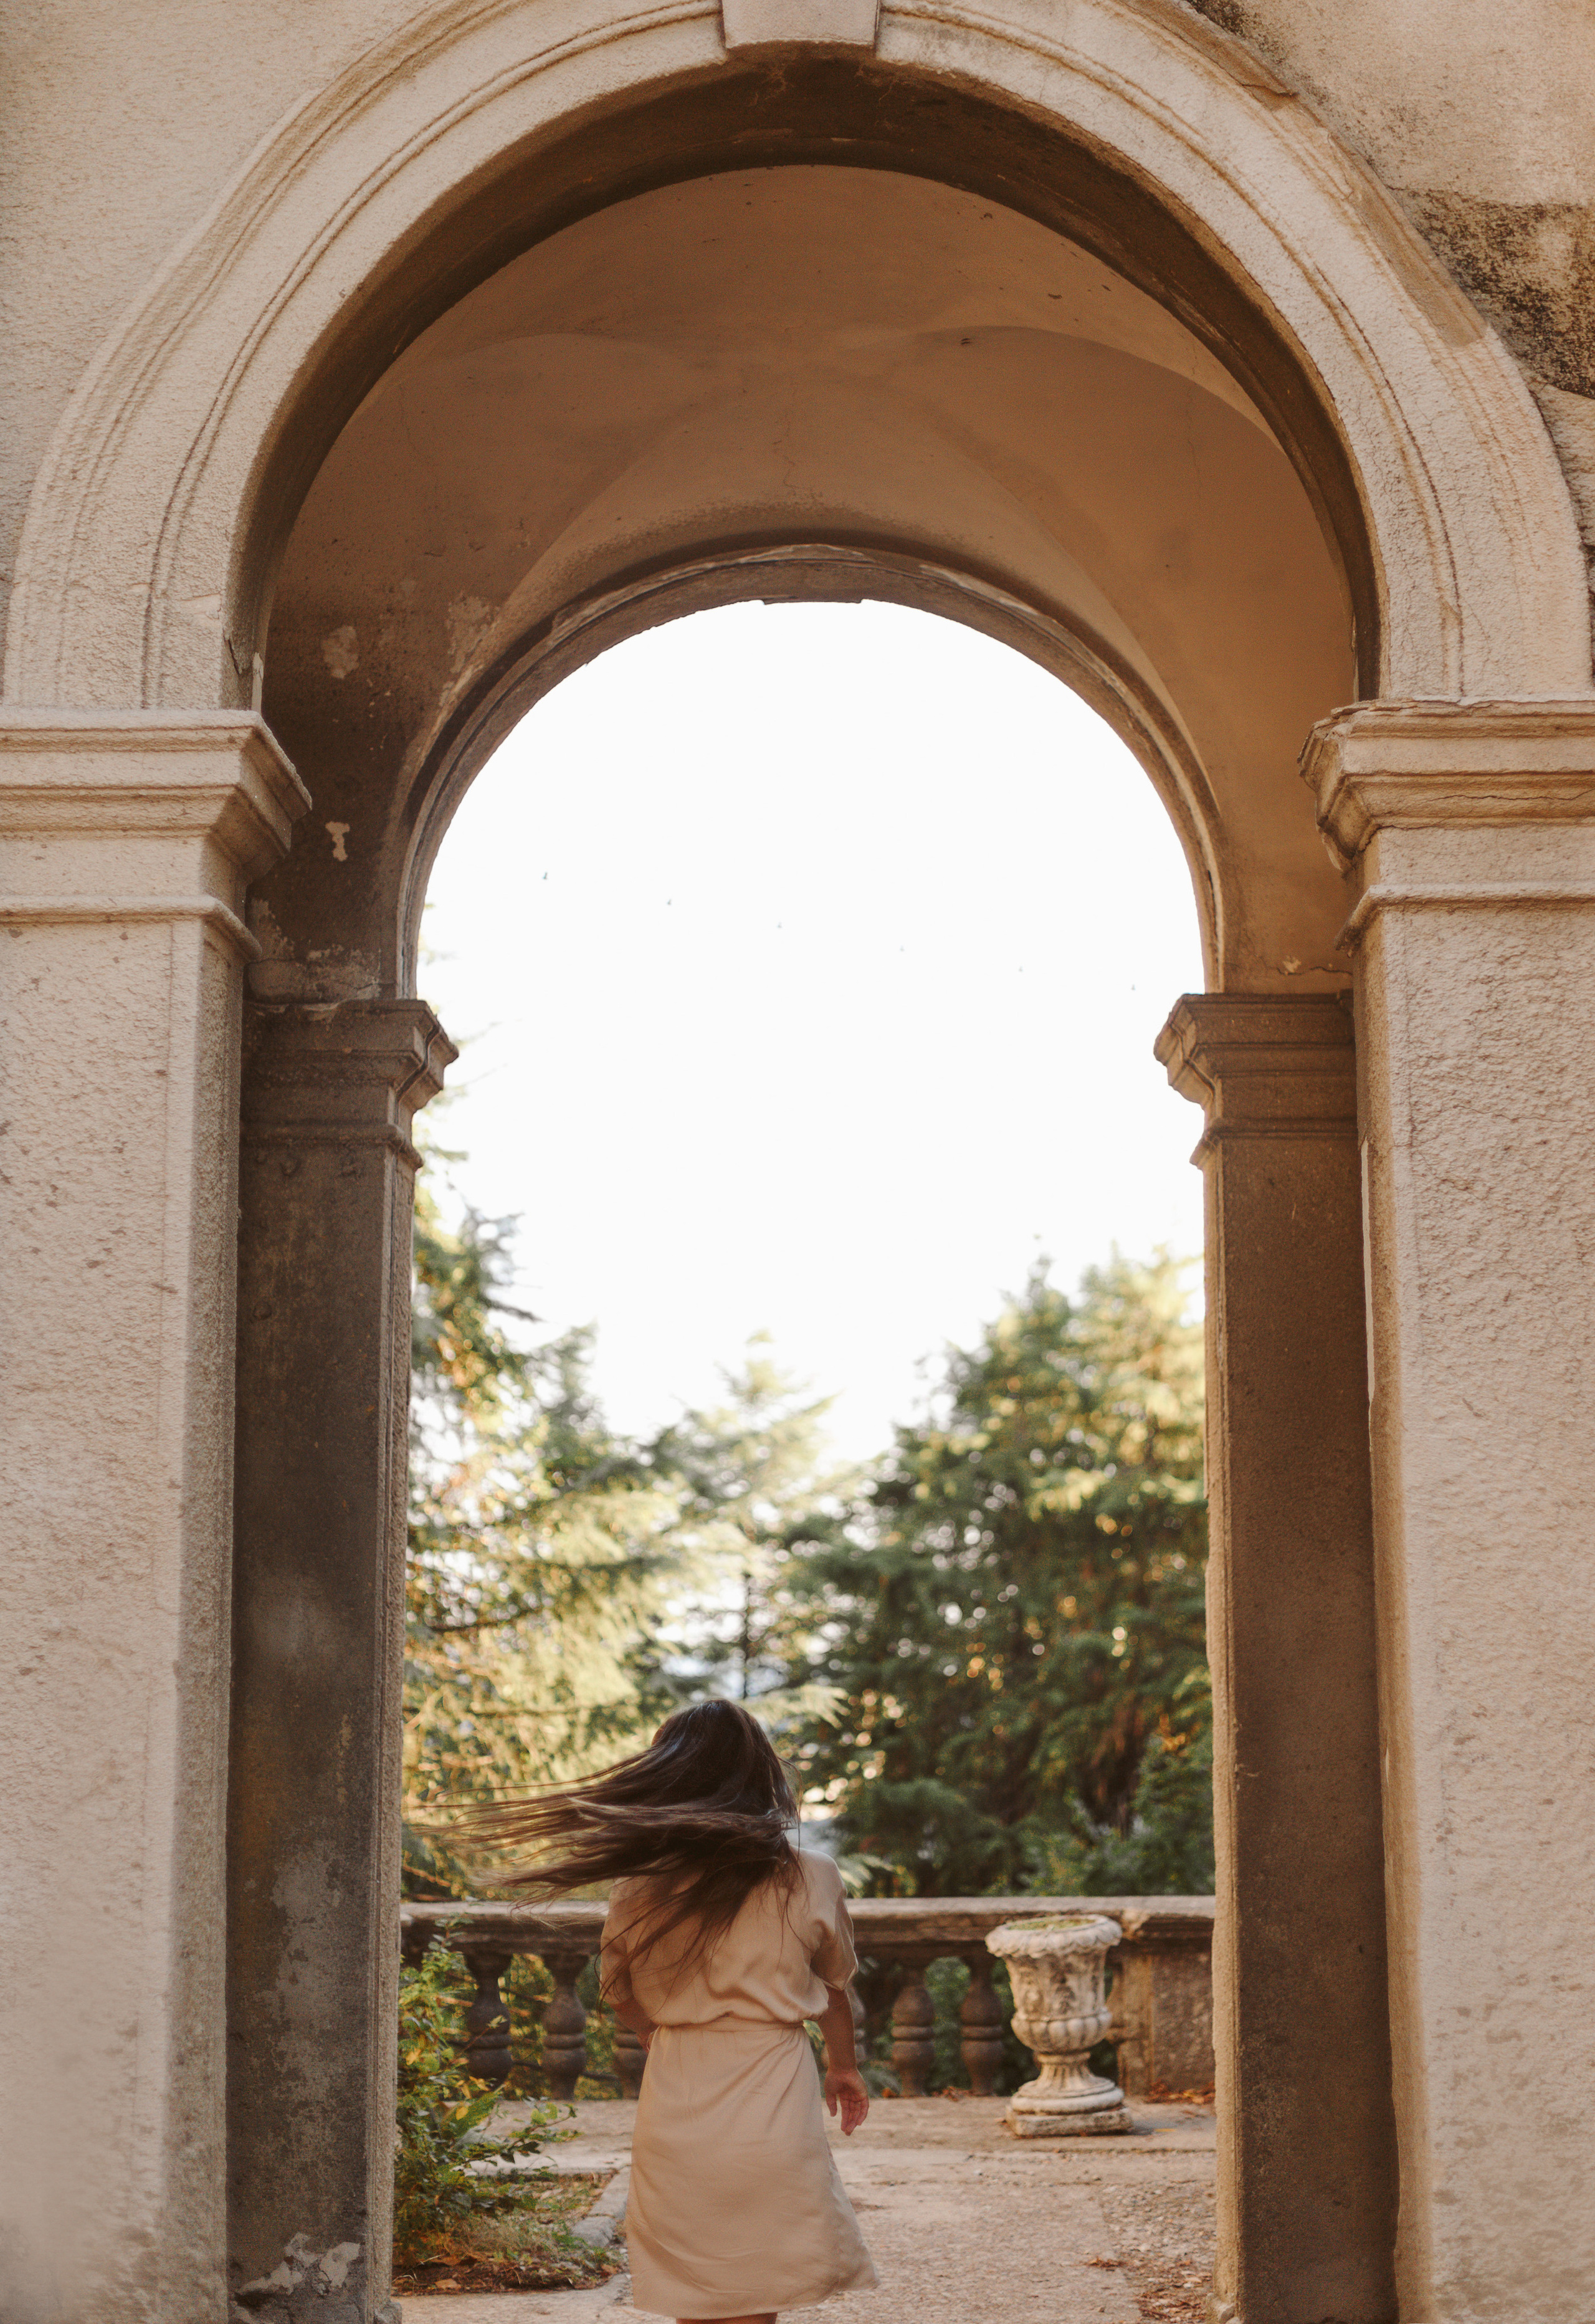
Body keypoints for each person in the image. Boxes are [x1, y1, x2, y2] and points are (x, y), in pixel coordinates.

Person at [461, 1700, 878, 2324]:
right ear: (761, 1773)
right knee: (756, 2284)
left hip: (680, 2084)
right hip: (772, 2082)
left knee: (697, 2284)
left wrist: (659, 2034)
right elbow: (835, 1990)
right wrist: (844, 2069)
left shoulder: (641, 1886)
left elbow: (619, 1991)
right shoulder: (810, 1874)